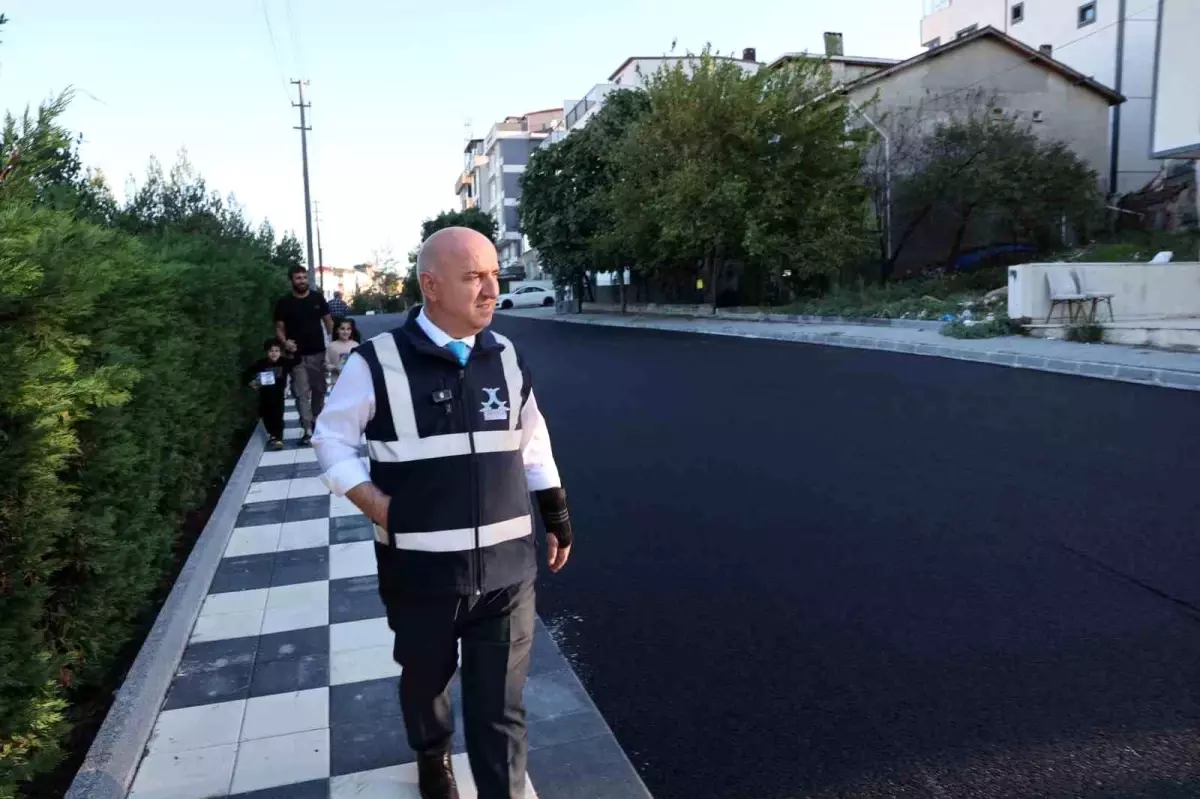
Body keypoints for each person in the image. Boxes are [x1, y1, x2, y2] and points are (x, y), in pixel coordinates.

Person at [313, 227, 574, 799]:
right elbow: (331, 439)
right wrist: (376, 504)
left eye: (494, 275)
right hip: (421, 572)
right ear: (431, 286)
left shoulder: (507, 356)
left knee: (501, 709)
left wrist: (555, 512)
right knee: (426, 678)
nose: (492, 290)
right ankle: (432, 755)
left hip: (507, 572)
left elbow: (532, 439)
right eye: (474, 277)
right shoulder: (377, 362)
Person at [274, 265, 333, 445]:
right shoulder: (284, 302)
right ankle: (307, 429)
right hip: (296, 355)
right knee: (301, 392)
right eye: (298, 278)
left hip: (318, 353)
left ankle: (316, 421)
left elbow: (328, 322)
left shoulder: (317, 298)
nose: (302, 281)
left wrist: (332, 346)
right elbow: (279, 328)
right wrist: (285, 342)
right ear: (291, 280)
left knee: (319, 390)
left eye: (304, 277)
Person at [243, 338, 294, 450]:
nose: (274, 354)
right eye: (271, 351)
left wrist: (292, 350)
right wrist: (251, 383)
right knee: (266, 416)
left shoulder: (284, 362)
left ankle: (279, 438)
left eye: (277, 351)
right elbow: (246, 374)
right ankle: (272, 434)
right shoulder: (261, 364)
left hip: (278, 395)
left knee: (278, 415)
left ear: (280, 352)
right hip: (264, 395)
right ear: (266, 352)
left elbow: (297, 361)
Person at [325, 317, 360, 387]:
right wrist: (335, 367)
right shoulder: (331, 346)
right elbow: (325, 365)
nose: (345, 332)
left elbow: (360, 365)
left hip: (353, 382)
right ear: (337, 330)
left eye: (348, 329)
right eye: (342, 329)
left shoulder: (356, 345)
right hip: (336, 383)